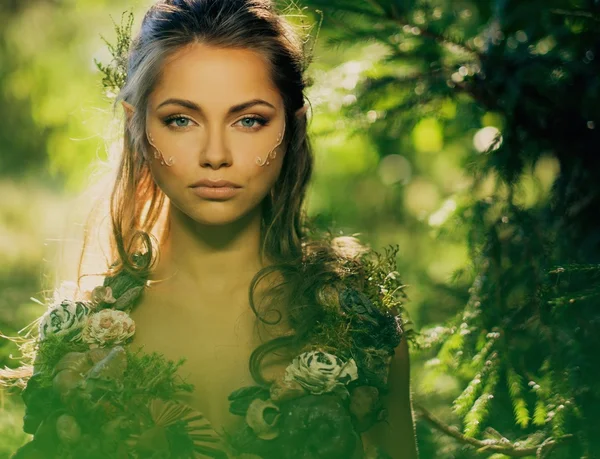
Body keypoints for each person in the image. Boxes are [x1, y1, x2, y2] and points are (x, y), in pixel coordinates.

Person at [8, 0, 419, 458]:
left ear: (293, 126)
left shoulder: (355, 326)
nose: (216, 154)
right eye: (181, 119)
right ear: (138, 127)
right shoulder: (79, 346)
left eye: (249, 120)